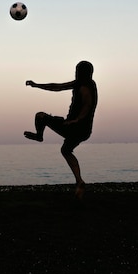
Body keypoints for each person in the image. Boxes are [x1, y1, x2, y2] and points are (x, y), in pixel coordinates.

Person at [24, 61, 98, 200]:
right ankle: (79, 182)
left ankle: (39, 136)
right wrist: (37, 85)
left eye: (77, 71)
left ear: (82, 73)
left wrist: (76, 120)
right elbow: (57, 87)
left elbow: (87, 105)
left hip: (74, 127)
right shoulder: (84, 83)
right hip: (84, 131)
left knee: (40, 116)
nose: (75, 73)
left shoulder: (84, 86)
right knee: (66, 150)